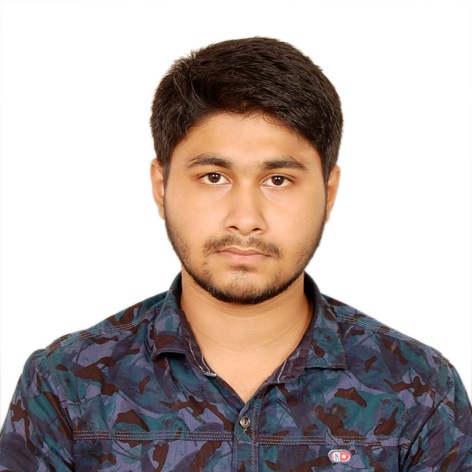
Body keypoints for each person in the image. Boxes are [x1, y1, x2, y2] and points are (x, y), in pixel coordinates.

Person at [0, 37, 471, 471]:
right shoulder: (66, 385)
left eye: (278, 180)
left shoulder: (421, 391)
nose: (245, 218)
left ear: (328, 193)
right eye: (214, 177)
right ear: (162, 186)